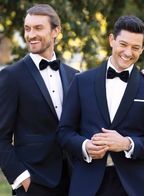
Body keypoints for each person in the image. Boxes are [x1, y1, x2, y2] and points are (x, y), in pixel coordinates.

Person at [57, 15, 144, 196]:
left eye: (135, 47)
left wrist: (127, 144)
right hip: (87, 184)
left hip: (131, 187)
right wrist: (85, 146)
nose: (128, 52)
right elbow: (64, 132)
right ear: (111, 40)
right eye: (123, 44)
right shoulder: (82, 81)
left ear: (143, 48)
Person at [0, 4, 78, 196]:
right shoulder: (12, 76)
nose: (31, 35)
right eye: (27, 29)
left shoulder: (74, 75)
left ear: (56, 31)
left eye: (38, 28)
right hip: (34, 183)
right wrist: (21, 178)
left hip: (73, 180)